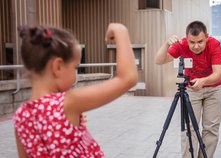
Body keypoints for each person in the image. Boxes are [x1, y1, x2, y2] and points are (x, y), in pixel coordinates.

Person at [14, 23, 138, 157]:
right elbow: (128, 78)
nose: (75, 74)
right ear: (58, 67)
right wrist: (120, 30)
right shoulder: (67, 104)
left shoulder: (21, 116)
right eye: (75, 67)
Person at [155, 21, 221, 158]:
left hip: (214, 88)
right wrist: (166, 44)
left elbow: (218, 74)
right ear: (186, 38)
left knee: (211, 129)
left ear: (206, 37)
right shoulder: (181, 44)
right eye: (192, 42)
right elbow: (159, 60)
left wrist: (203, 81)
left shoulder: (214, 44)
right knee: (189, 128)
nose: (196, 46)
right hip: (192, 89)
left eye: (200, 42)